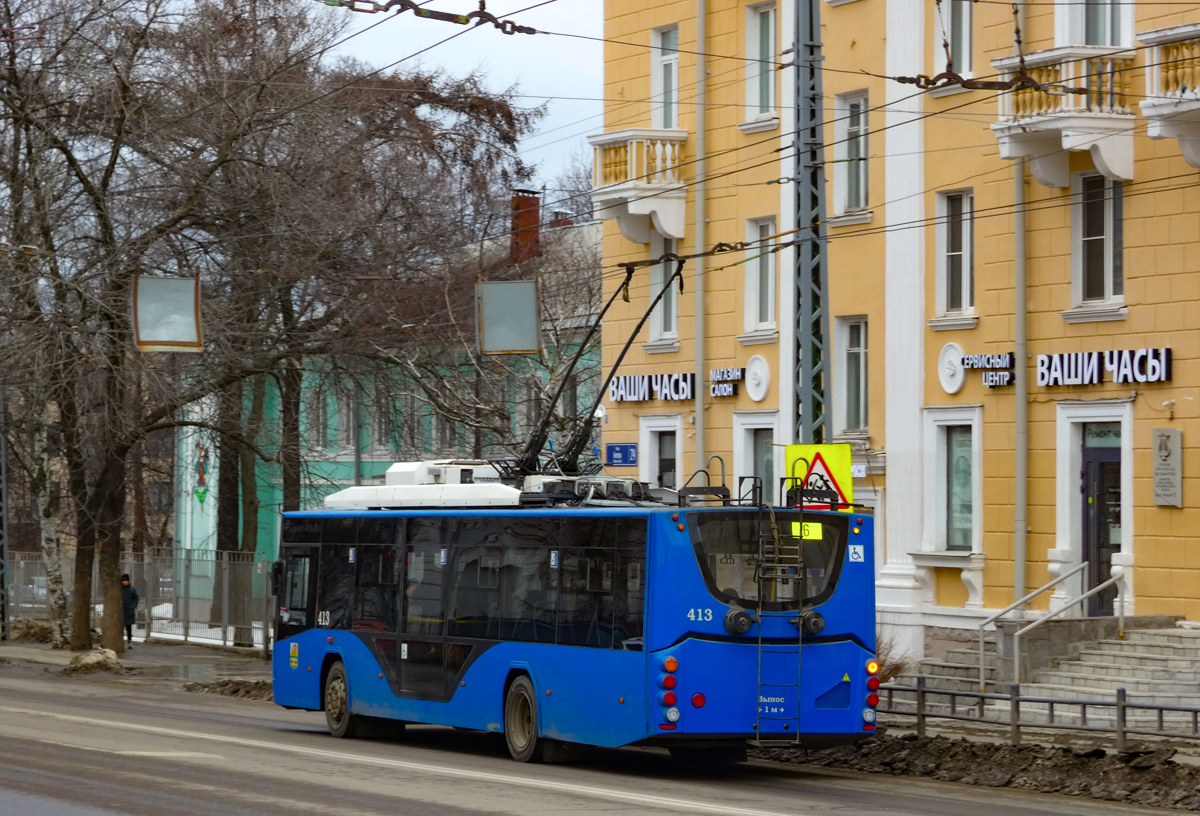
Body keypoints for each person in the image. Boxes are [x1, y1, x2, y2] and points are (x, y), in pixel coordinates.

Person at [121, 574, 139, 648]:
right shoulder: (119, 589)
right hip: (121, 611)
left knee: (129, 628)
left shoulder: (131, 589)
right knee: (120, 628)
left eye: (126, 580)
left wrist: (132, 606)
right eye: (123, 581)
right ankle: (121, 641)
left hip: (129, 611)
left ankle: (129, 641)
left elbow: (136, 599)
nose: (124, 582)